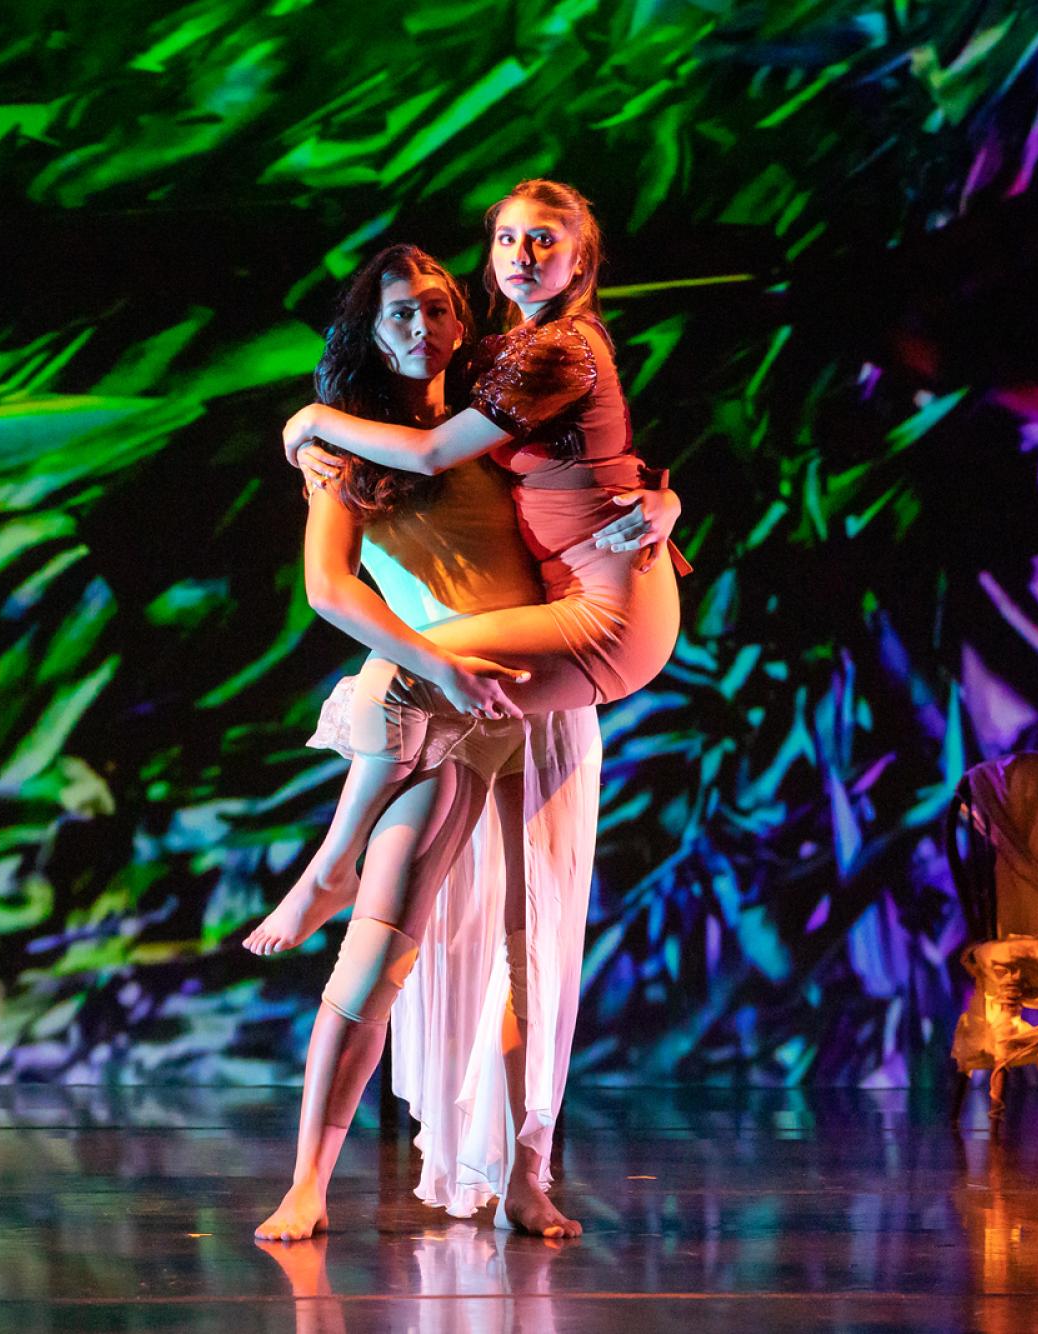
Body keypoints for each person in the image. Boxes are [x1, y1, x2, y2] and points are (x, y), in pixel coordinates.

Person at [250, 244, 677, 1241]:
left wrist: (661, 503)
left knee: (531, 957)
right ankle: (309, 1177)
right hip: (433, 702)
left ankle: (526, 1174)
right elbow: (329, 589)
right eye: (399, 311)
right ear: (364, 328)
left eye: (439, 308)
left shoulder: (490, 418)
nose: (423, 327)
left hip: (532, 697)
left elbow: (599, 482)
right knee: (374, 953)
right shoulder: (344, 453)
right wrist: (432, 661)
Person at [261, 178, 687, 963]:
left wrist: (310, 419)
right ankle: (338, 885)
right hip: (531, 634)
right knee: (455, 930)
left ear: (581, 255)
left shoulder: (556, 348)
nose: (523, 256)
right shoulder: (496, 359)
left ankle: (328, 871)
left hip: (591, 621)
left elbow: (429, 453)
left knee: (402, 684)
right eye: (507, 239)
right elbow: (599, 465)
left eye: (545, 239)